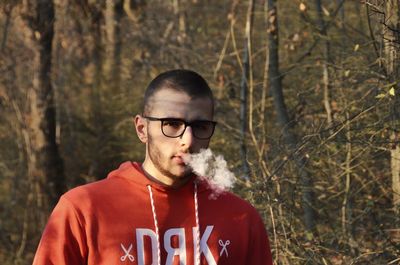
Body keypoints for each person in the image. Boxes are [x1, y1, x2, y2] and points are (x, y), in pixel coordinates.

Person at [33, 69, 273, 265]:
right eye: (171, 124)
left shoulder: (241, 219)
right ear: (142, 129)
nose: (187, 140)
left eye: (199, 127)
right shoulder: (83, 210)